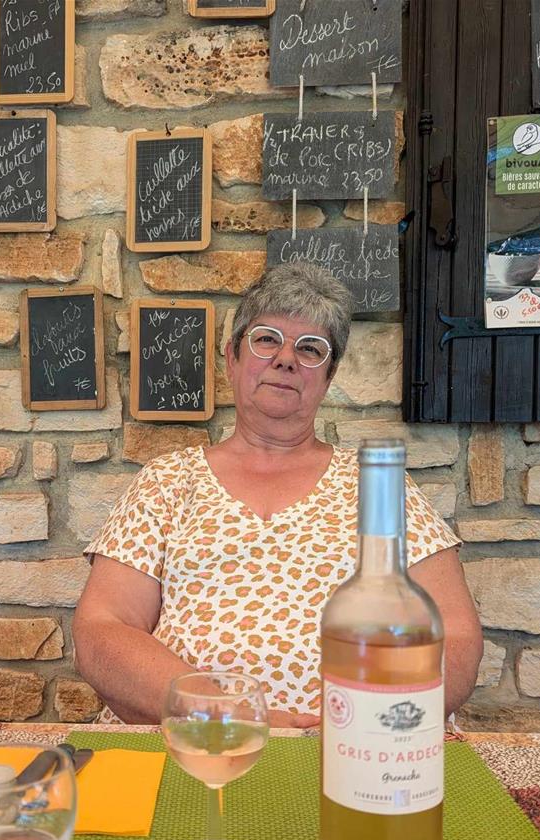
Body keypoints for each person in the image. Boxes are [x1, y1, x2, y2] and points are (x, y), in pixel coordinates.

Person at [73, 261, 483, 726]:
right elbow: (102, 630)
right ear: (232, 357)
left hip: (355, 746)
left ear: (328, 377)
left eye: (310, 348)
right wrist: (225, 714)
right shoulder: (166, 482)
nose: (286, 359)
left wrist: (363, 727)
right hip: (192, 743)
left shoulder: (379, 485)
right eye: (267, 339)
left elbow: (454, 636)